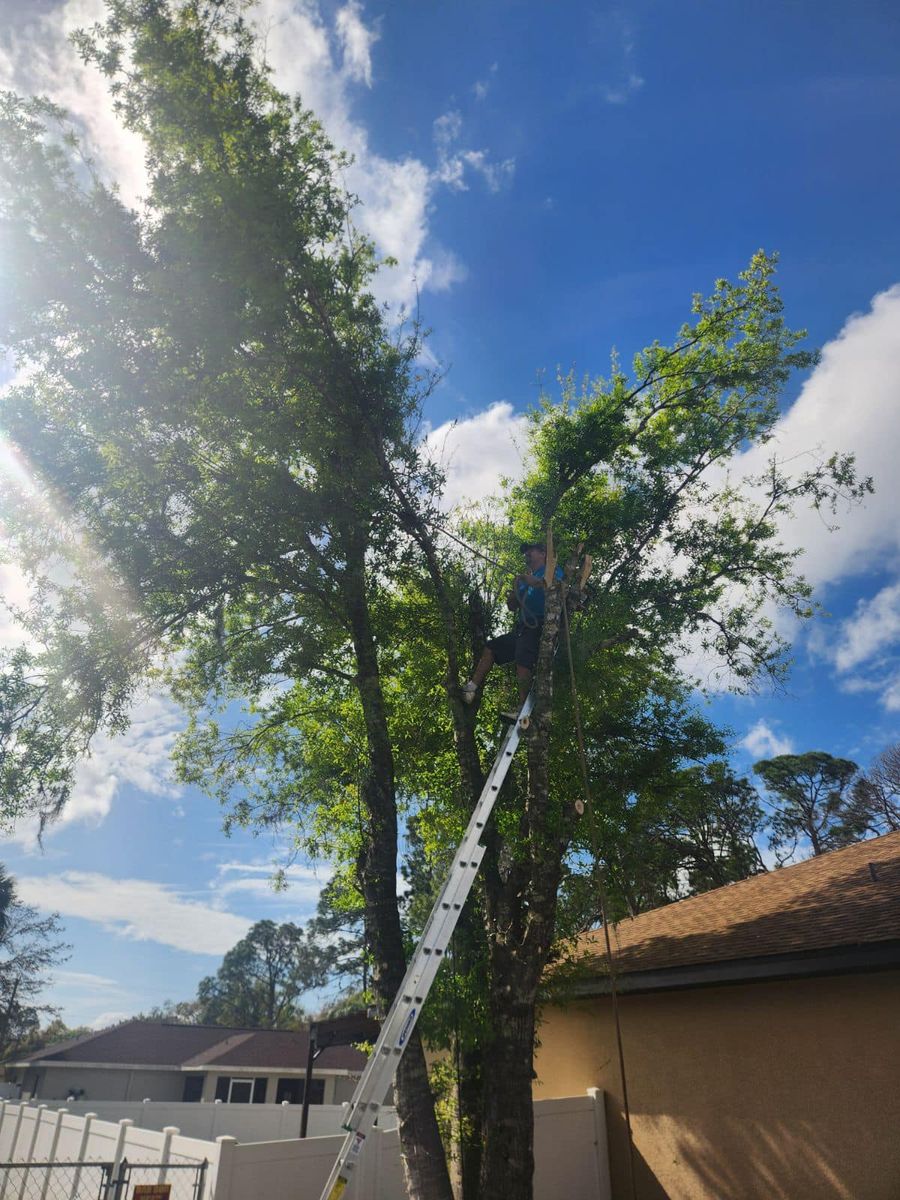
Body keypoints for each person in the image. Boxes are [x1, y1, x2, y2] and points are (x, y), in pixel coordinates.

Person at [462, 541, 563, 713]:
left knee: (523, 660)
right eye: (525, 553)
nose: (527, 555)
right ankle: (471, 688)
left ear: (543, 553)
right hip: (522, 628)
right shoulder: (524, 579)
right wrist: (515, 590)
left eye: (530, 551)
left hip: (539, 625)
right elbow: (512, 606)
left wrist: (535, 582)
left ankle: (522, 707)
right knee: (491, 648)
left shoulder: (552, 570)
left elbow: (555, 587)